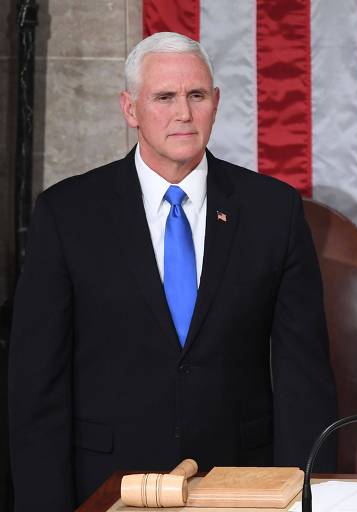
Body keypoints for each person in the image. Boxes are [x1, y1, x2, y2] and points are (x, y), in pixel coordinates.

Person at [8, 32, 337, 510]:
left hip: (241, 486)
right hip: (106, 485)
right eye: (164, 97)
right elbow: (37, 384)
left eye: (196, 95)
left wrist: (303, 496)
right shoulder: (67, 213)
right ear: (130, 108)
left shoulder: (273, 210)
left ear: (216, 103)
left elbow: (303, 378)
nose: (183, 112)